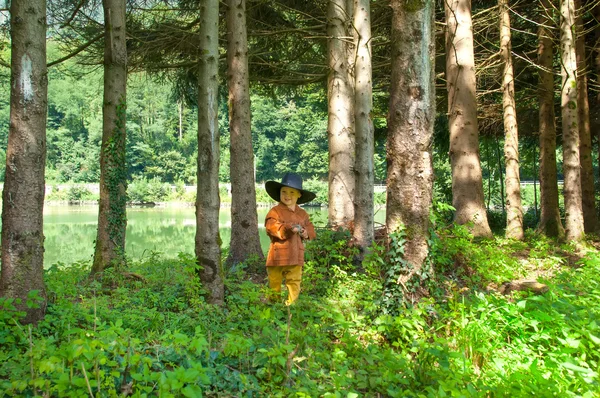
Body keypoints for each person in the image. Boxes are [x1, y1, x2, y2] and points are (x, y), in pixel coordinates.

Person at [264, 172, 316, 305]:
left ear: (299, 194)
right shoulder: (275, 211)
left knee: (294, 281)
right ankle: (274, 305)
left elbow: (311, 229)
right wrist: (288, 228)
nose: (287, 195)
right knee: (274, 282)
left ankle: (291, 306)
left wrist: (305, 232)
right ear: (279, 193)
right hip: (277, 255)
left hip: (296, 255)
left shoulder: (302, 214)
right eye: (284, 192)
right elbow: (271, 228)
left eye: (292, 192)